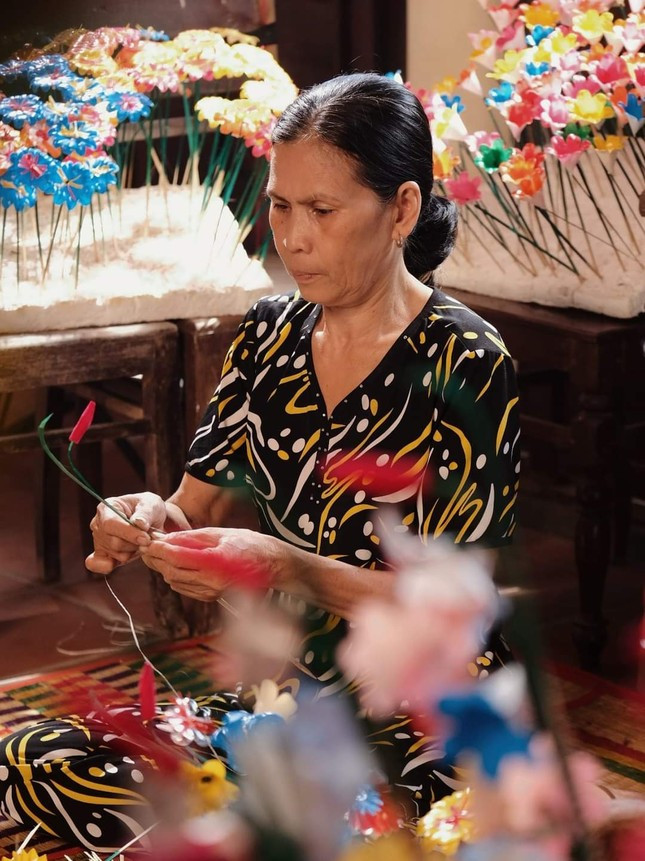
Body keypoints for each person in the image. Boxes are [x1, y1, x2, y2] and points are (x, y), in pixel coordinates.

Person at [0, 73, 520, 852]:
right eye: (280, 205)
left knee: (337, 824)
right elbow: (195, 507)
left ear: (401, 209)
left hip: (422, 711)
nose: (293, 236)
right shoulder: (268, 335)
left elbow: (457, 608)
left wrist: (285, 567)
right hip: (280, 704)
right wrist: (146, 518)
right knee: (32, 756)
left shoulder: (467, 360)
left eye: (321, 210)